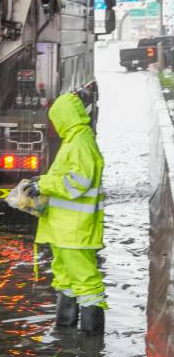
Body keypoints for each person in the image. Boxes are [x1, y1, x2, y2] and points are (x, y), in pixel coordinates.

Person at [25, 92, 106, 333]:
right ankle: (65, 335)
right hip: (64, 230)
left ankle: (92, 343)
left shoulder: (80, 142)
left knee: (86, 283)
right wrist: (42, 181)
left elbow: (79, 183)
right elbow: (66, 177)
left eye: (56, 119)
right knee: (65, 279)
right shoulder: (74, 140)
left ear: (64, 117)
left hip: (75, 230)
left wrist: (44, 185)